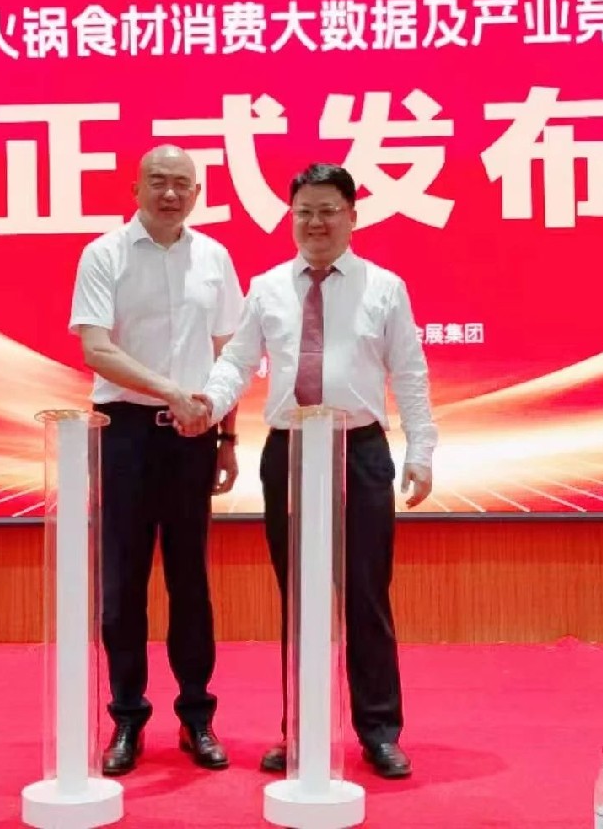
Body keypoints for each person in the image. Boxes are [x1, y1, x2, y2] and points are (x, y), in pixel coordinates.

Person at [199, 162, 435, 780]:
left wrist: (421, 450)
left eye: (328, 211)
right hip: (290, 452)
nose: (316, 223)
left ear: (352, 216)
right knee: (298, 598)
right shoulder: (267, 287)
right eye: (304, 212)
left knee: (366, 595)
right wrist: (206, 404)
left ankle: (379, 731)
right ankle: (300, 729)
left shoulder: (385, 287)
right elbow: (236, 364)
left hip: (359, 451)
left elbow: (409, 373)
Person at [68, 145, 244, 776]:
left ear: (196, 194)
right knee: (123, 582)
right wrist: (170, 390)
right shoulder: (104, 254)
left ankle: (197, 715)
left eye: (182, 184)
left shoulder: (214, 257)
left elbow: (230, 354)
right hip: (125, 433)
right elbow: (96, 349)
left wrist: (227, 437)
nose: (170, 194)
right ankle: (126, 717)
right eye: (158, 182)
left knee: (190, 581)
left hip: (195, 431)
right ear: (136, 189)